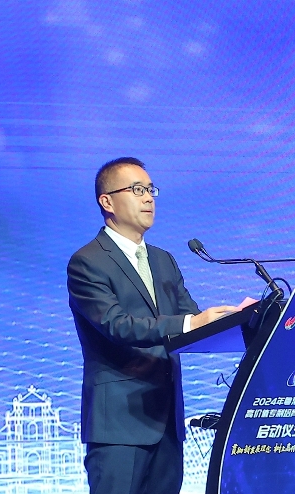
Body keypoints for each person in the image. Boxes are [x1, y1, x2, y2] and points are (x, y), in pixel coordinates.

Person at [67, 157, 238, 494]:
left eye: (150, 190)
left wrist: (245, 318)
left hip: (168, 423)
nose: (148, 198)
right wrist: (191, 322)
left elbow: (192, 322)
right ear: (107, 202)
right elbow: (117, 325)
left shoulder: (163, 260)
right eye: (137, 190)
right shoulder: (87, 262)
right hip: (119, 426)